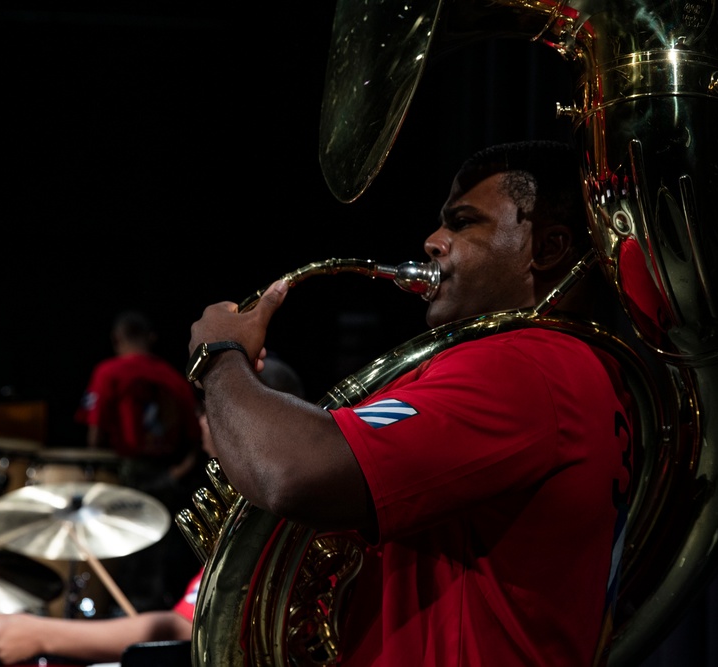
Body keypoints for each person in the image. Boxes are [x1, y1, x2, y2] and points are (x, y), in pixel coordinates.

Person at [185, 140, 634, 666]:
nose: (432, 242)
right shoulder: (564, 369)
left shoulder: (525, 368)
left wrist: (219, 359)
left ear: (547, 249)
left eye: (464, 223)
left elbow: (291, 472)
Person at [0, 357, 306, 666]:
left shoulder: (271, 517)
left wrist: (41, 635)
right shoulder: (276, 505)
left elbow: (185, 627)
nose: (203, 422)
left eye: (213, 410)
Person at [74, 309, 203, 612]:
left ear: (117, 338)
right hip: (167, 478)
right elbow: (196, 437)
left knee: (122, 558)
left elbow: (95, 437)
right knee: (155, 560)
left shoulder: (109, 372)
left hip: (125, 472)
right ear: (151, 339)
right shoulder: (174, 377)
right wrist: (177, 474)